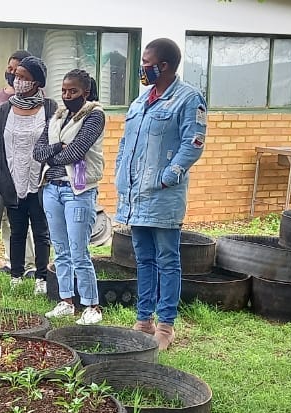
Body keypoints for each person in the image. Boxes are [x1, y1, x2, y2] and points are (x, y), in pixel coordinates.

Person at [115, 38, 208, 350]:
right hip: (135, 196)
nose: (142, 67)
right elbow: (125, 144)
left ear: (163, 65)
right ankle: (143, 319)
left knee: (167, 259)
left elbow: (193, 142)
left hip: (164, 196)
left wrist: (169, 176)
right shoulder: (140, 102)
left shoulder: (188, 98)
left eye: (146, 61)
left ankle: (165, 326)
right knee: (143, 258)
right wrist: (120, 175)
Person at [35, 69, 107, 326]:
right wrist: (56, 149)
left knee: (79, 251)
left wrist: (53, 156)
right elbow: (37, 151)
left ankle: (92, 306)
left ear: (85, 93)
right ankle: (66, 301)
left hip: (78, 190)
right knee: (61, 249)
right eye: (64, 91)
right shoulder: (57, 115)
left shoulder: (95, 115)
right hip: (52, 188)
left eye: (73, 91)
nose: (67, 96)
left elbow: (77, 151)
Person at [0, 56, 55, 296]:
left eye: (23, 78)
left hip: (40, 181)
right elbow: (0, 146)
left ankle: (41, 276)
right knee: (16, 231)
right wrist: (2, 179)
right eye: (16, 76)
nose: (17, 81)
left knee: (41, 231)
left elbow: (55, 142)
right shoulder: (7, 108)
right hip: (12, 179)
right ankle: (16, 275)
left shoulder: (49, 108)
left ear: (37, 82)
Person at [0, 50, 37, 276]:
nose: (11, 74)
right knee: (7, 218)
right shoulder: (0, 97)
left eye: (16, 71)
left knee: (26, 220)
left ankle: (30, 264)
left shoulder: (39, 103)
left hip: (29, 170)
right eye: (9, 69)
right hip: (5, 167)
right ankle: (11, 261)